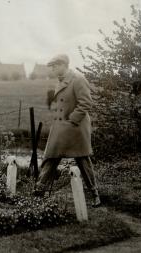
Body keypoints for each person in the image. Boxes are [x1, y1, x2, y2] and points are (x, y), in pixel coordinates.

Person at [35, 54, 101, 207]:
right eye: (51, 66)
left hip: (75, 127)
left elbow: (86, 102)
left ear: (63, 64)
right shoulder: (61, 80)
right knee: (51, 156)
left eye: (55, 66)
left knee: (83, 159)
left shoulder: (77, 79)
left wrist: (72, 119)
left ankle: (94, 193)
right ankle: (39, 191)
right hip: (62, 126)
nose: (52, 69)